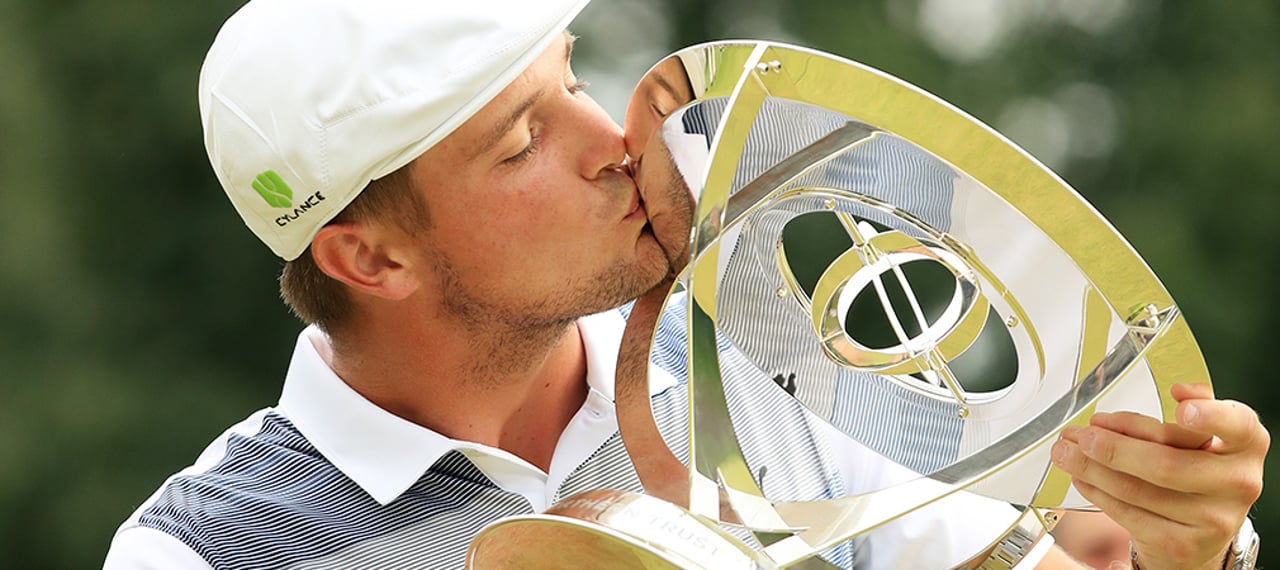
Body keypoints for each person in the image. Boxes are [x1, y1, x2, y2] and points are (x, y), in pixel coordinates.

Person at [105, 0, 1267, 568]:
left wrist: (1193, 551)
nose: (612, 141)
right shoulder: (201, 554)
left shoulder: (752, 365)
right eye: (520, 143)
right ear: (370, 257)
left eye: (570, 81)